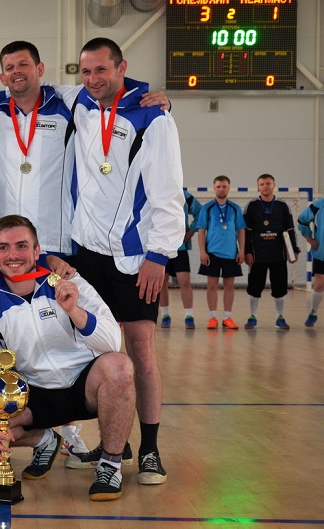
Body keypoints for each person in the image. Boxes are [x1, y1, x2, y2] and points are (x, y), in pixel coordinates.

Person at [69, 37, 185, 485]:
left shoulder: (152, 115)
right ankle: (115, 442)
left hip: (135, 256)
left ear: (122, 67)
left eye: (102, 70)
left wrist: (159, 254)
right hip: (86, 253)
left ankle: (151, 449)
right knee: (96, 352)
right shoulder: (80, 101)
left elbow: (168, 191)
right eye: (86, 71)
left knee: (141, 352)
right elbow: (25, 89)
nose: (93, 79)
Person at [0, 215, 134, 501]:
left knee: (119, 366)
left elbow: (112, 342)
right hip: (35, 394)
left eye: (21, 246)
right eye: (3, 248)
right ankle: (45, 440)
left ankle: (110, 464)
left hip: (84, 386)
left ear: (37, 251)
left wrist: (74, 311)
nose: (13, 255)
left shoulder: (68, 281)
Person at [243, 174, 300, 330]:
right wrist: (247, 252)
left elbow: (290, 230)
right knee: (254, 287)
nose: (265, 186)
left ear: (274, 185)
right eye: (262, 184)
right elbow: (246, 232)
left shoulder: (283, 206)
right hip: (257, 256)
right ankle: (253, 316)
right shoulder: (251, 206)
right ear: (258, 187)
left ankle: (280, 317)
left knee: (280, 287)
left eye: (268, 183)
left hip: (278, 255)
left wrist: (294, 250)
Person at [197, 175, 246, 330]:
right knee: (211, 285)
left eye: (224, 186)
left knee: (229, 286)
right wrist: (202, 252)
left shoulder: (235, 208)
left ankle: (227, 317)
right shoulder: (207, 208)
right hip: (212, 253)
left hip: (231, 254)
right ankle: (212, 317)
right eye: (218, 186)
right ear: (214, 188)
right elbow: (201, 231)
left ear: (229, 188)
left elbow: (241, 230)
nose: (221, 189)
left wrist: (242, 251)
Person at [159, 190, 202, 329]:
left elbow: (200, 212)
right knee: (162, 283)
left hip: (180, 247)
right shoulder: (155, 191)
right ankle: (165, 315)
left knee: (184, 281)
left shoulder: (184, 195)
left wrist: (192, 230)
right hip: (161, 247)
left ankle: (189, 316)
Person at [297, 197, 324, 327]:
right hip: (322, 253)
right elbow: (302, 220)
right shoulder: (319, 205)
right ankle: (313, 312)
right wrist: (309, 238)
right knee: (318, 284)